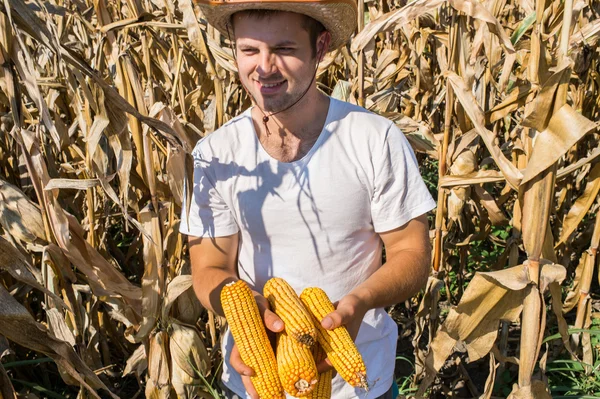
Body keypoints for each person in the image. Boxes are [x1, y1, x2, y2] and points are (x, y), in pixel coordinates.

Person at [179, 1, 436, 398]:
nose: (263, 67)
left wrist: (358, 303)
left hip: (359, 383)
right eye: (249, 50)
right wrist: (248, 311)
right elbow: (209, 267)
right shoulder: (217, 154)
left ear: (320, 47)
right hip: (256, 381)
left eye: (283, 49)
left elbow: (411, 253)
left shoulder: (373, 139)